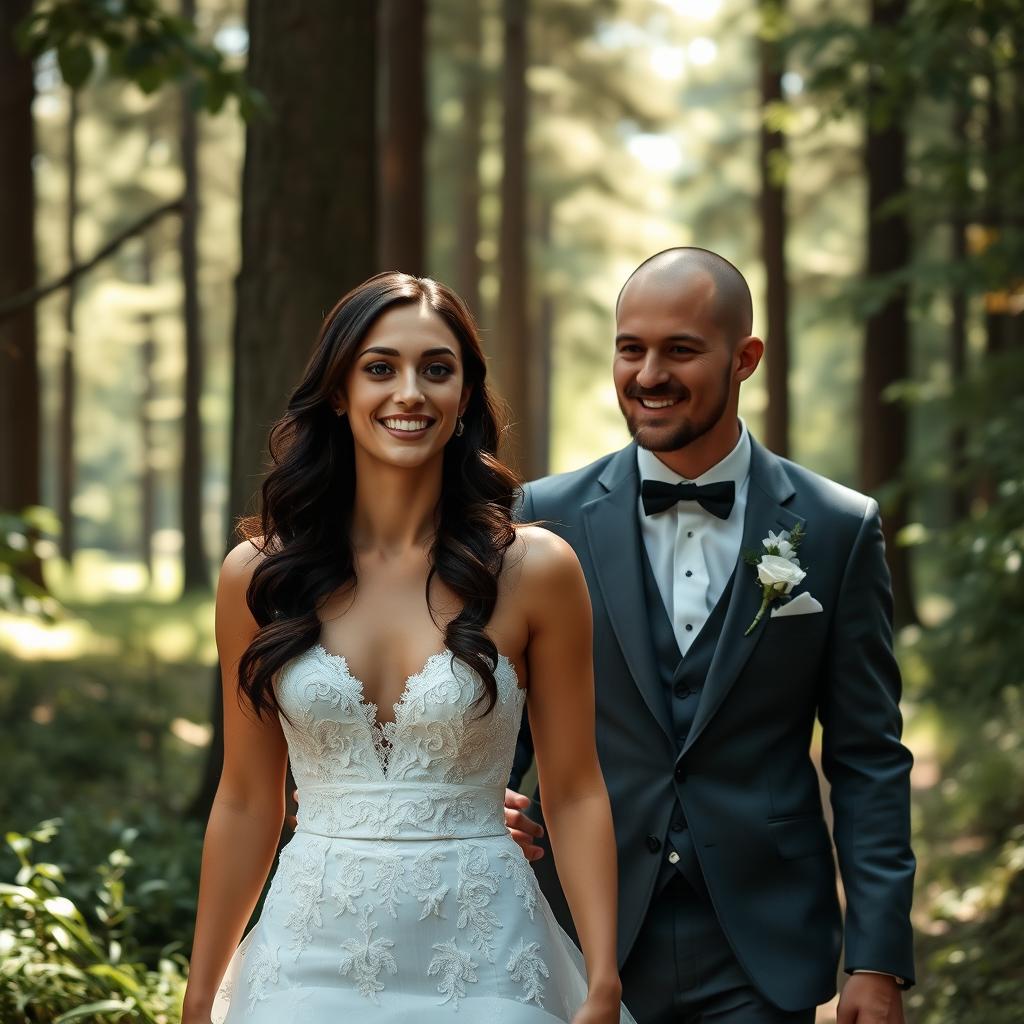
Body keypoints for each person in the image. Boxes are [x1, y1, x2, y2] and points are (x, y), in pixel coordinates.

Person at [180, 272, 635, 1024]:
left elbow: (579, 787)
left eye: (437, 368)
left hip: (488, 959)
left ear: (464, 397)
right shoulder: (257, 577)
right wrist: (201, 996)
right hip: (306, 956)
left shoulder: (537, 570)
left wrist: (603, 980)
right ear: (338, 391)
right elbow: (246, 799)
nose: (410, 393)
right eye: (380, 367)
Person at [505, 247, 916, 1024]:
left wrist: (877, 956)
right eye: (632, 348)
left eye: (681, 350)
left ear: (745, 358)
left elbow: (868, 756)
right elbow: (498, 715)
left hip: (763, 945)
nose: (649, 373)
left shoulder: (836, 529)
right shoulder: (539, 519)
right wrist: (478, 792)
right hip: (577, 936)